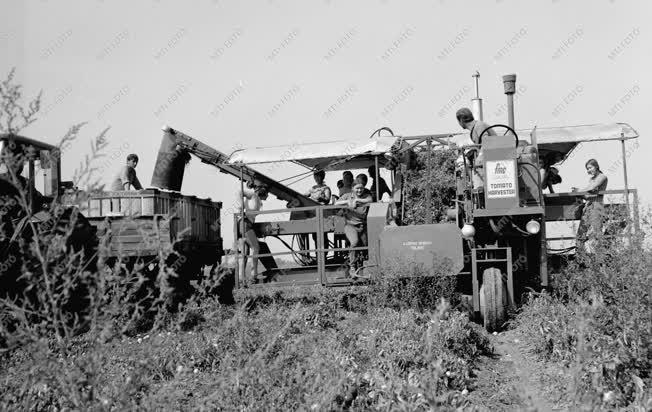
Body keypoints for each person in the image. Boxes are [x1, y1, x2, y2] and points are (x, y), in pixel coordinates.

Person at [335, 182, 373, 277]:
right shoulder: (347, 196)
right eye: (357, 188)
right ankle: (352, 267)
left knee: (366, 245)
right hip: (350, 225)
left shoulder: (366, 195)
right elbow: (336, 203)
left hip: (363, 226)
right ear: (352, 188)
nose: (359, 190)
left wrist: (357, 201)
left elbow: (370, 200)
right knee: (354, 242)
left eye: (361, 188)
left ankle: (364, 266)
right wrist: (347, 202)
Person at [571, 159, 608, 251]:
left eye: (590, 168)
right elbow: (588, 196)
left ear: (596, 166)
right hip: (588, 207)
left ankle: (599, 255)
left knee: (597, 232)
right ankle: (580, 255)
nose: (588, 170)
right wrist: (579, 193)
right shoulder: (591, 179)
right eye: (587, 169)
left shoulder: (602, 177)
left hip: (597, 206)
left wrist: (579, 191)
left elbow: (592, 187)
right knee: (581, 233)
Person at [456, 108, 496, 190]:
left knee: (476, 166)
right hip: (490, 157)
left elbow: (486, 141)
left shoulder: (479, 125)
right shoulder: (475, 128)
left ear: (461, 120)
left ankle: (478, 189)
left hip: (495, 157)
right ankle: (473, 184)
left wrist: (480, 157)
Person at [237, 182, 269, 283]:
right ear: (263, 192)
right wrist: (241, 206)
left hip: (245, 224)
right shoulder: (254, 196)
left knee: (245, 253)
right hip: (245, 224)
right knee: (256, 248)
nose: (268, 196)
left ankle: (241, 278)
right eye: (267, 193)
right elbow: (239, 192)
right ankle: (253, 275)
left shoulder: (258, 200)